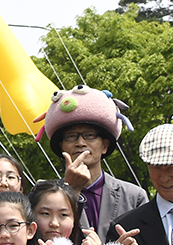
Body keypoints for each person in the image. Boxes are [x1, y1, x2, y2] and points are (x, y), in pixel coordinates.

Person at [43, 86, 147, 237]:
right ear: (62, 146)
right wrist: (69, 190)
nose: (80, 143)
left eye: (89, 135)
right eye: (71, 136)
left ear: (105, 145)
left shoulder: (133, 197)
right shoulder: (42, 196)